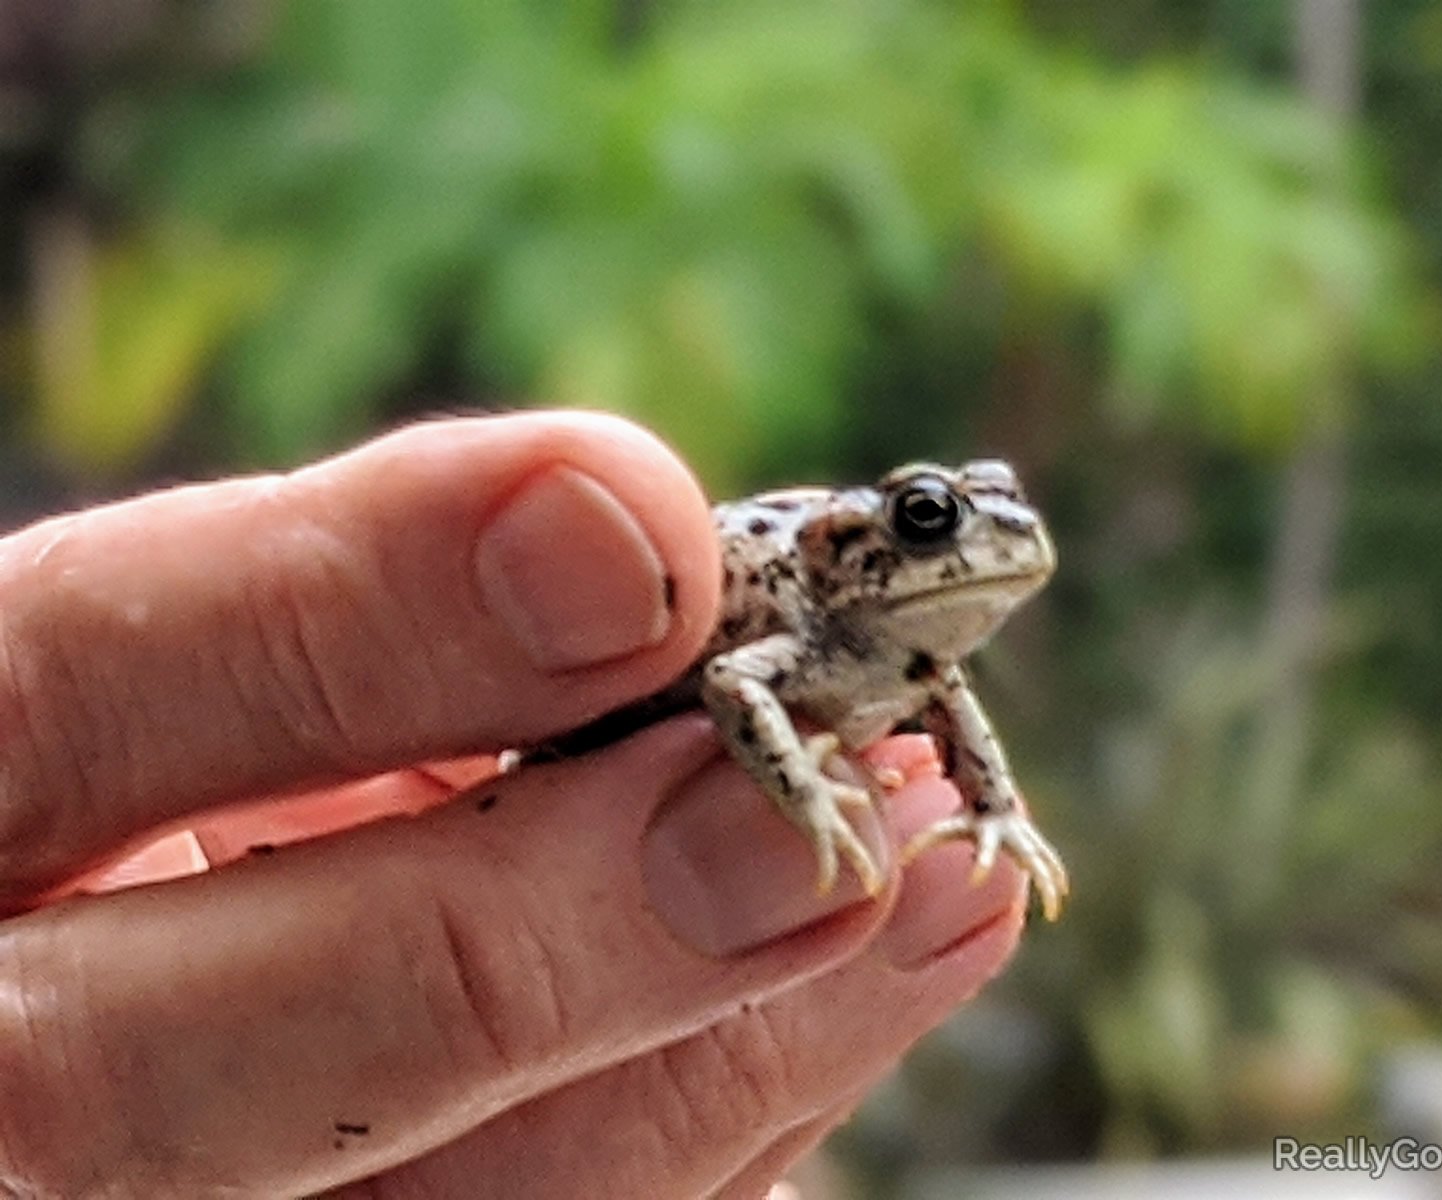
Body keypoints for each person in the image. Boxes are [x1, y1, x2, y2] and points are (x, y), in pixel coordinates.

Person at [0, 411, 1028, 1197]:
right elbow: (734, 682)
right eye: (933, 524)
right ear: (861, 548)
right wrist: (793, 787)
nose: (989, 543)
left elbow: (940, 699)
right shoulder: (802, 622)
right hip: (607, 720)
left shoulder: (913, 658)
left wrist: (990, 810)